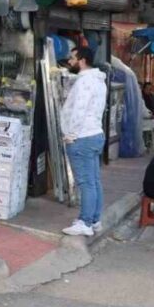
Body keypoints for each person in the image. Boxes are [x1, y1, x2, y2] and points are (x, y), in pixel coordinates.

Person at [59, 47, 109, 237]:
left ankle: (85, 222)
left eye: (72, 57)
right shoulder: (98, 80)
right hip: (94, 133)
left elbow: (78, 110)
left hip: (82, 136)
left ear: (81, 60)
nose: (69, 61)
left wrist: (70, 133)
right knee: (94, 181)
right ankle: (94, 219)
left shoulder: (85, 81)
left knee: (86, 182)